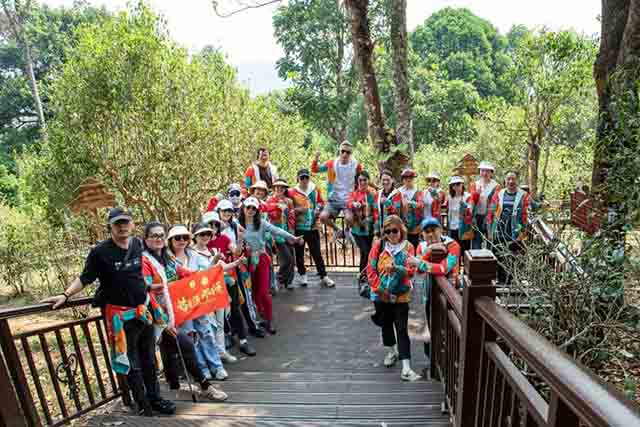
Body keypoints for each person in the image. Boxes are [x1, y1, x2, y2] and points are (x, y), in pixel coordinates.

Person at [42, 208, 176, 417]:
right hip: (121, 317)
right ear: (110, 227)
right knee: (131, 361)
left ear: (132, 225)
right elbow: (85, 278)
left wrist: (148, 289)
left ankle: (155, 398)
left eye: (126, 222)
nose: (122, 226)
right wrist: (65, 295)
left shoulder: (137, 244)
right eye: (117, 223)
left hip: (143, 311)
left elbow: (135, 274)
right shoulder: (100, 252)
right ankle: (141, 403)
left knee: (149, 358)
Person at [142, 223, 228, 402]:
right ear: (146, 239)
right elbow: (147, 290)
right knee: (185, 345)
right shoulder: (145, 261)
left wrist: (206, 275)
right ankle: (205, 385)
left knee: (169, 347)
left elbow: (184, 273)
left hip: (173, 310)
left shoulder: (167, 257)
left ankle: (173, 384)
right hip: (157, 315)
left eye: (160, 235)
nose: (158, 239)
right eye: (153, 236)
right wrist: (162, 320)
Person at [164, 225, 229, 381]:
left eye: (185, 237)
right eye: (177, 238)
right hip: (181, 305)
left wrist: (215, 260)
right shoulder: (165, 258)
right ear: (170, 240)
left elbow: (205, 270)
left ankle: (216, 366)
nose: (182, 241)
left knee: (205, 332)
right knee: (191, 336)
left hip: (198, 300)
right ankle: (202, 368)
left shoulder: (193, 254)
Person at [366, 215, 421, 382]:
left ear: (401, 230)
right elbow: (370, 269)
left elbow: (411, 272)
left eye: (394, 231)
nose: (391, 234)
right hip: (380, 294)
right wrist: (380, 289)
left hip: (401, 295)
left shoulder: (409, 247)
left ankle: (406, 368)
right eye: (388, 231)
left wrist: (396, 268)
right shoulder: (379, 245)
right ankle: (391, 350)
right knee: (385, 324)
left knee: (402, 329)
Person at [239, 197, 304, 334]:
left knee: (264, 292)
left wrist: (292, 238)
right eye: (248, 207)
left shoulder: (261, 223)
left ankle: (268, 320)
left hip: (261, 258)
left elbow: (276, 230)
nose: (250, 210)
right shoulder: (237, 224)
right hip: (246, 262)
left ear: (257, 210)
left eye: (253, 208)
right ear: (243, 208)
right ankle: (261, 317)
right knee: (254, 293)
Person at [203, 210, 259, 355]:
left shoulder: (225, 239)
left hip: (229, 279)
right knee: (218, 313)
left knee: (235, 308)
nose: (213, 227)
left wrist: (240, 239)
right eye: (210, 225)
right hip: (211, 284)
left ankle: (242, 340)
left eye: (215, 224)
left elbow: (236, 251)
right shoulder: (199, 244)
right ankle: (225, 339)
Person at [412, 217, 461, 371]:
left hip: (450, 293)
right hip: (428, 292)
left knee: (449, 327)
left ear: (441, 229)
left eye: (434, 229)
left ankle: (448, 362)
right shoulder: (421, 247)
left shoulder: (453, 245)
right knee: (429, 326)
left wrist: (421, 262)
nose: (431, 234)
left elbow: (444, 269)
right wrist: (429, 252)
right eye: (427, 231)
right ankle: (433, 362)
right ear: (422, 234)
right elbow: (418, 271)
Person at [191, 222, 243, 363]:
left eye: (208, 234)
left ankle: (221, 352)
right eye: (202, 234)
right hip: (203, 295)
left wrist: (236, 263)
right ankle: (211, 355)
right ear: (195, 236)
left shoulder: (213, 251)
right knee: (208, 326)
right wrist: (214, 261)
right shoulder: (191, 254)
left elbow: (222, 268)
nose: (206, 236)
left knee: (220, 324)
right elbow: (198, 276)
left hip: (218, 291)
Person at [288, 168, 335, 288]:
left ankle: (324, 276)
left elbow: (320, 202)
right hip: (299, 227)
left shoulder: (315, 189)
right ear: (297, 178)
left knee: (317, 253)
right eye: (301, 177)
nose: (304, 180)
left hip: (313, 226)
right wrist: (297, 210)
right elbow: (288, 209)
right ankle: (302, 275)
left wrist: (318, 209)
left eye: (306, 177)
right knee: (299, 253)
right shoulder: (292, 192)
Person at [312, 140, 363, 242]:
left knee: (349, 218)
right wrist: (316, 158)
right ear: (339, 151)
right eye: (343, 151)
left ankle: (347, 230)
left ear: (350, 154)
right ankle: (337, 230)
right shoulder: (332, 163)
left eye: (348, 152)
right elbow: (315, 169)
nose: (345, 154)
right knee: (322, 217)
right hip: (334, 198)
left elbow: (363, 179)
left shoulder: (356, 165)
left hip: (348, 199)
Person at [487, 171, 530, 285]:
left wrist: (523, 231)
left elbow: (528, 211)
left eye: (513, 179)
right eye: (508, 179)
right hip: (499, 230)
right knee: (500, 255)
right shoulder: (499, 194)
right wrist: (490, 229)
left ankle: (512, 280)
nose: (511, 181)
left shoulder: (523, 195)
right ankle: (501, 280)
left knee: (514, 256)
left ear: (517, 181)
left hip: (516, 231)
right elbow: (491, 211)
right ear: (505, 181)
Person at [347, 170, 379, 283]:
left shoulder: (373, 194)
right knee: (366, 251)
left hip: (370, 229)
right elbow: (349, 203)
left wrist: (375, 224)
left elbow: (375, 210)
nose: (362, 182)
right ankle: (364, 274)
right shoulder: (354, 193)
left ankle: (365, 274)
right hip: (357, 230)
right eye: (360, 180)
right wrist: (354, 204)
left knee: (367, 252)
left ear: (368, 181)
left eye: (364, 180)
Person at [265, 179, 297, 290]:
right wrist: (277, 206)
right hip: (276, 233)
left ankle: (289, 281)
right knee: (286, 258)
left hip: (287, 231)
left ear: (285, 189)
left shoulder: (289, 201)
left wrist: (292, 230)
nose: (279, 189)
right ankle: (279, 277)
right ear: (274, 188)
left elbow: (292, 216)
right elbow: (267, 212)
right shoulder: (269, 200)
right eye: (277, 187)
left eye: (282, 187)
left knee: (292, 258)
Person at [469, 161, 500, 249]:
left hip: (490, 217)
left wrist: (489, 217)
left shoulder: (496, 186)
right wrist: (476, 194)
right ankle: (476, 260)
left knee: (490, 240)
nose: (485, 173)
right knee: (476, 241)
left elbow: (495, 203)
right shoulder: (474, 184)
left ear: (491, 172)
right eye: (482, 170)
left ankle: (490, 261)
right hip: (477, 216)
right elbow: (471, 201)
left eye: (487, 171)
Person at [446, 176, 476, 260]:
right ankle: (456, 269)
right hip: (453, 227)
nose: (456, 186)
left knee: (465, 249)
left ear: (462, 185)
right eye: (454, 184)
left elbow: (470, 211)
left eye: (458, 184)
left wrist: (465, 206)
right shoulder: (450, 197)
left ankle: (466, 269)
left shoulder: (467, 196)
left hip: (464, 227)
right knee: (455, 249)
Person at [398, 168, 423, 248]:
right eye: (406, 178)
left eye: (410, 178)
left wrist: (410, 203)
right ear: (403, 179)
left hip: (414, 225)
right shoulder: (399, 191)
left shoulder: (418, 191)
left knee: (414, 245)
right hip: (401, 224)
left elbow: (420, 205)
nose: (408, 179)